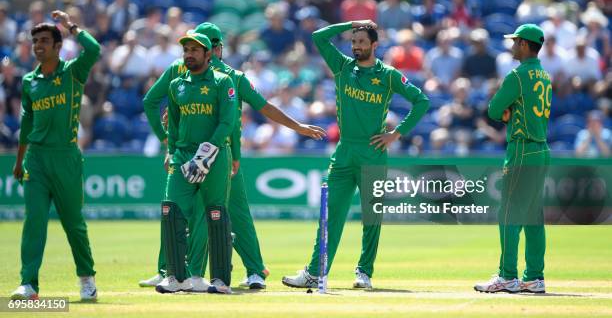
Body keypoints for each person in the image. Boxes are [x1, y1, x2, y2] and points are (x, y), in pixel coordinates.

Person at [141, 23, 325, 290]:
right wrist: (169, 143)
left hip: (221, 154)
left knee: (220, 213)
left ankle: (247, 271)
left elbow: (247, 114)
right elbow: (154, 103)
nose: (213, 52)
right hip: (196, 152)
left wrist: (295, 128)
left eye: (204, 47)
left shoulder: (229, 77)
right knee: (182, 209)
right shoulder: (182, 72)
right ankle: (176, 272)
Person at [282, 20, 429, 289]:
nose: (356, 46)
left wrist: (396, 133)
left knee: (371, 217)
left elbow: (422, 101)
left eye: (361, 42)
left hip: (373, 152)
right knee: (330, 215)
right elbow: (317, 37)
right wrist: (351, 24)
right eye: (353, 42)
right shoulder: (342, 66)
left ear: (374, 45)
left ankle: (364, 272)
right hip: (344, 152)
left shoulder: (388, 75)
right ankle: (315, 271)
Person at [10, 11, 101, 300]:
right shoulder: (29, 81)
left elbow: (95, 49)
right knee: (34, 220)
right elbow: (27, 122)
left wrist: (70, 25)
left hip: (66, 158)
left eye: (45, 41)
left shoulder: (73, 72)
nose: (38, 46)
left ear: (58, 46)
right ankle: (29, 283)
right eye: (35, 41)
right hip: (35, 159)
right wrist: (19, 160)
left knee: (73, 222)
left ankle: (86, 278)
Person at [155, 32, 235, 294]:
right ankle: (175, 277)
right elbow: (174, 125)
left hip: (214, 157)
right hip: (182, 157)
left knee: (216, 213)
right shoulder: (176, 84)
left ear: (208, 54)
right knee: (171, 212)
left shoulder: (223, 82)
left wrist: (207, 152)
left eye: (195, 50)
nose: (189, 54)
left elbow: (227, 122)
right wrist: (172, 150)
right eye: (186, 50)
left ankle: (220, 280)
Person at [474, 24, 551, 294]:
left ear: (526, 45)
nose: (512, 45)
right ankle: (535, 277)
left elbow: (494, 110)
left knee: (508, 214)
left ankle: (508, 276)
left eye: (516, 41)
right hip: (541, 149)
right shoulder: (544, 76)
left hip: (521, 150)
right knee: (533, 217)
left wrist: (507, 111)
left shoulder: (518, 76)